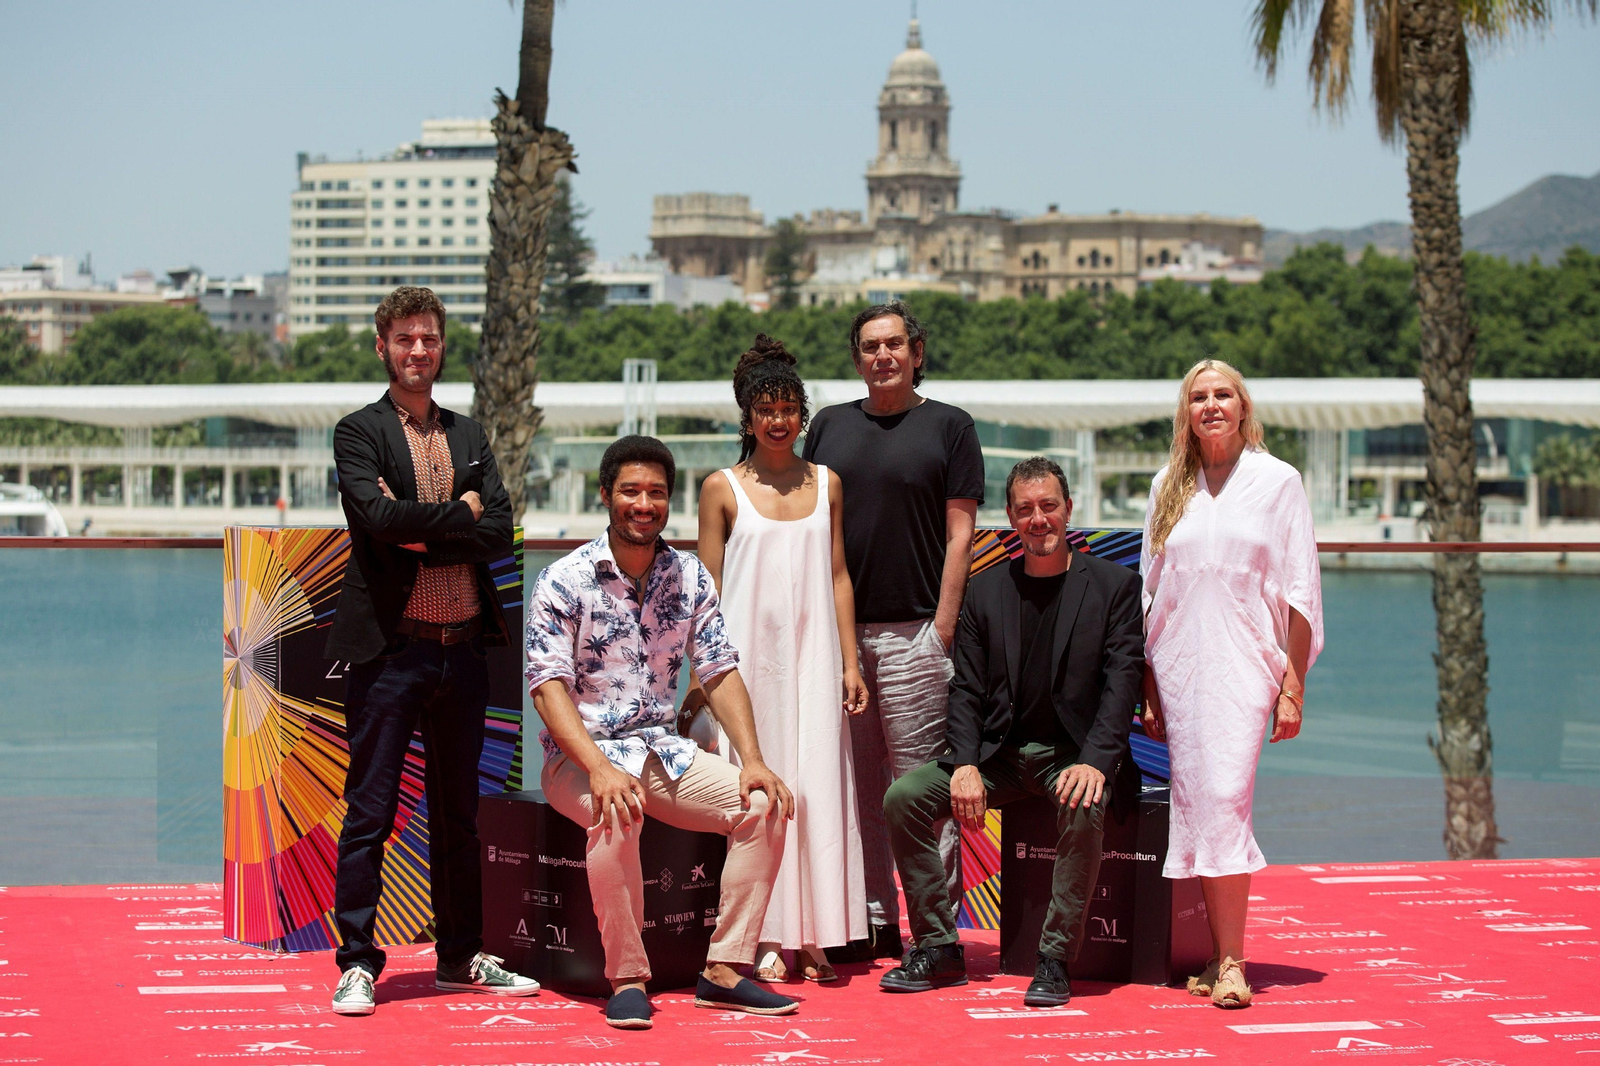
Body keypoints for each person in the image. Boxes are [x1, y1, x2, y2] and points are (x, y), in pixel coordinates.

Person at [526, 435, 800, 1031]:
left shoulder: (690, 575)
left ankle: (725, 971)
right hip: (581, 758)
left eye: (655, 492)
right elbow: (547, 688)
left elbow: (719, 669)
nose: (643, 503)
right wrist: (598, 768)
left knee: (764, 803)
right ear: (606, 496)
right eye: (630, 491)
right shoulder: (563, 579)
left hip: (664, 753)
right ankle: (627, 978)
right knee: (615, 809)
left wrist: (752, 758)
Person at [325, 286, 539, 1016]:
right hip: (393, 654)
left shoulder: (471, 435)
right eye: (406, 339)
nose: (419, 351)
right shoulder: (358, 433)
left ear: (442, 348)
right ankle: (357, 961)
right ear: (382, 347)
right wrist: (458, 515)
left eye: (430, 339)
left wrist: (433, 527)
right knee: (370, 813)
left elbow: (498, 527)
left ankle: (458, 956)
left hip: (463, 652)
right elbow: (380, 519)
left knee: (460, 819)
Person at [880, 457, 1144, 1006]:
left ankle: (1053, 959)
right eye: (1025, 510)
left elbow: (1123, 687)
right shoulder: (985, 591)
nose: (1038, 519)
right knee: (904, 797)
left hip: (1070, 755)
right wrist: (967, 761)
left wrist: (1097, 761)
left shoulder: (1115, 587)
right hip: (999, 756)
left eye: (1048, 506)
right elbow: (967, 691)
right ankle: (939, 946)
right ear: (1010, 516)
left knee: (1084, 801)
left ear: (1068, 509)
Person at [801, 300, 985, 962]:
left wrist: (940, 628)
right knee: (853, 790)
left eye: (894, 345)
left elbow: (960, 535)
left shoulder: (950, 427)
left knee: (916, 792)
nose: (882, 356)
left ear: (916, 352)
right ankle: (872, 920)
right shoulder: (827, 427)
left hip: (916, 636)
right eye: (869, 347)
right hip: (839, 643)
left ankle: (935, 933)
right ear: (856, 358)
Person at [1140, 359, 1323, 1009]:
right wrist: (1150, 689)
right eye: (1198, 396)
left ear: (1244, 407)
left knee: (1222, 800)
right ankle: (1214, 955)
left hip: (1246, 666)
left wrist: (1292, 685)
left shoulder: (1279, 483)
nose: (1211, 405)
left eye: (1223, 395)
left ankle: (1232, 962)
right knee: (1198, 810)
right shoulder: (1168, 484)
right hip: (1180, 670)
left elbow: (1302, 591)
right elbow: (1150, 594)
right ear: (1185, 412)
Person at [691, 335, 868, 984]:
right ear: (747, 417)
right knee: (758, 795)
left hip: (816, 657)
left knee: (818, 787)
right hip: (746, 667)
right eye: (765, 408)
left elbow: (839, 575)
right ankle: (763, 935)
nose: (778, 419)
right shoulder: (721, 488)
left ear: (802, 414)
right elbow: (702, 592)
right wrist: (701, 678)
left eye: (789, 407)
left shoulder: (829, 484)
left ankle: (818, 935)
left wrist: (850, 663)